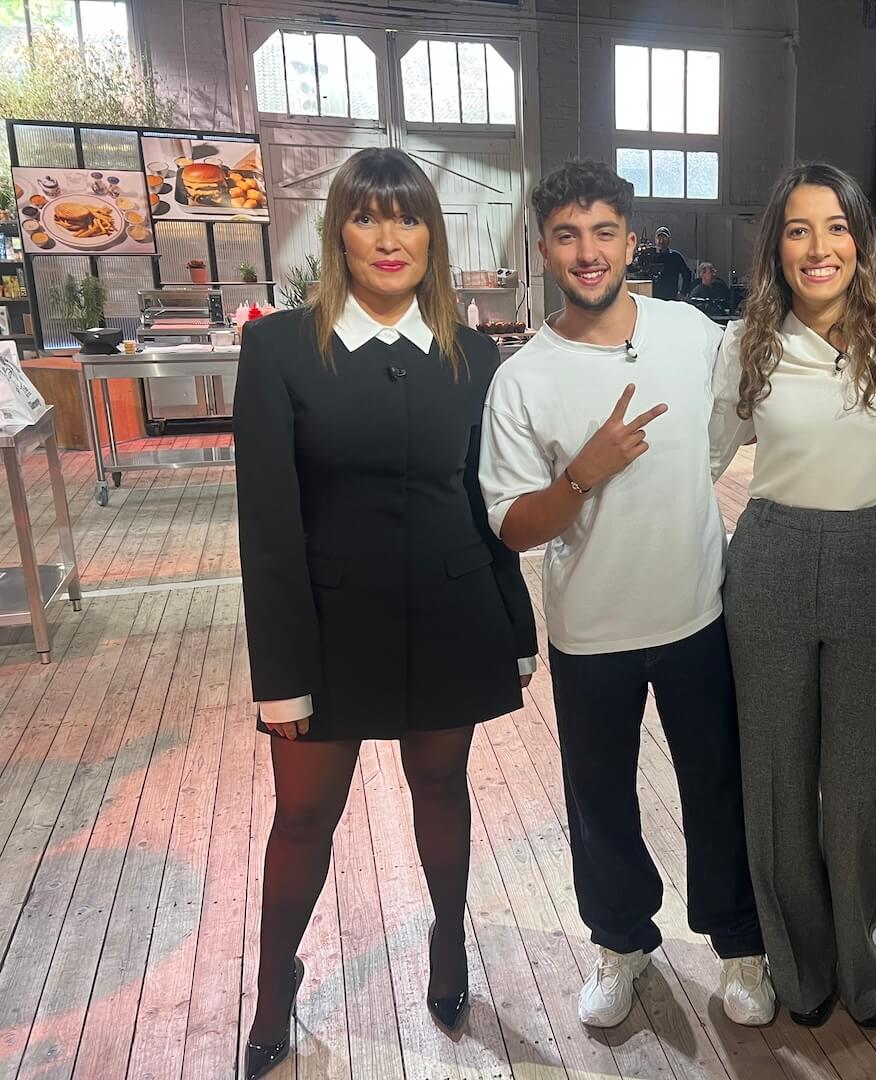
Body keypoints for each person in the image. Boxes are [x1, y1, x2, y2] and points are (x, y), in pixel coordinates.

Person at [234, 148, 538, 1080]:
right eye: (368, 218)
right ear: (340, 232)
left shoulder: (474, 352)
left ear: (431, 236)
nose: (389, 237)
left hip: (451, 619)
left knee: (442, 791)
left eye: (407, 219)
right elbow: (269, 532)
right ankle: (273, 987)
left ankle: (449, 942)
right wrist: (280, 676)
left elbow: (483, 502)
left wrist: (516, 628)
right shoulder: (282, 348)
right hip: (327, 634)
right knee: (303, 820)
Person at [479, 159, 774, 1030]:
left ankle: (739, 944)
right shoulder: (523, 378)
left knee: (717, 785)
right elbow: (512, 525)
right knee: (599, 798)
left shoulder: (691, 333)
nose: (588, 250)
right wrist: (581, 476)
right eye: (567, 235)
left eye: (603, 232)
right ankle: (620, 943)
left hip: (696, 612)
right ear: (543, 248)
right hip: (590, 629)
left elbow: (727, 433)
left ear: (631, 241)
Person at [710, 162, 876, 1030]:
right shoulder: (748, 342)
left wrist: (873, 505)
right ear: (776, 247)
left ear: (860, 241)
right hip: (768, 558)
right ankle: (799, 967)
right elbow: (702, 460)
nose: (818, 247)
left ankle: (857, 949)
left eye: (834, 228)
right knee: (774, 776)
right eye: (798, 230)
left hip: (871, 561)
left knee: (865, 781)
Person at [651, 225, 694, 300]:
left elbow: (687, 274)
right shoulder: (650, 256)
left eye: (664, 238)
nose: (661, 241)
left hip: (670, 297)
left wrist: (683, 292)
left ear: (669, 240)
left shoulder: (675, 257)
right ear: (655, 240)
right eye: (659, 238)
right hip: (651, 297)